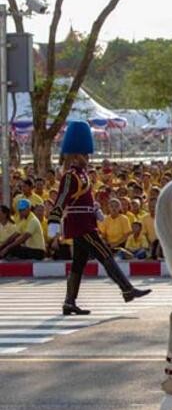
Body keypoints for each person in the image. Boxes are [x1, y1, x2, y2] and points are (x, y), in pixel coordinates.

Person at [47, 120, 151, 316]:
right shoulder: (71, 176)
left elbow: (82, 199)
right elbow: (61, 200)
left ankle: (69, 302)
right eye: (84, 154)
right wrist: (53, 221)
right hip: (81, 226)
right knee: (105, 254)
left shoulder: (82, 175)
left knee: (79, 263)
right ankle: (127, 289)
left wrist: (94, 209)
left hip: (86, 222)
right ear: (76, 156)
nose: (87, 157)